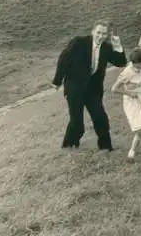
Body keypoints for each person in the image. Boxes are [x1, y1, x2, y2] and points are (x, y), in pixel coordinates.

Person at [52, 19, 127, 151]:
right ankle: (69, 145)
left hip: (93, 90)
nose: (100, 36)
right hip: (75, 88)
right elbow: (64, 59)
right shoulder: (79, 42)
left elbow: (121, 62)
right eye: (98, 32)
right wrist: (57, 81)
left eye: (104, 34)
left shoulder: (107, 48)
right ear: (93, 31)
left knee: (100, 118)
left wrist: (118, 46)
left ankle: (106, 148)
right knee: (77, 122)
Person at [111, 48, 141, 161]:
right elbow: (114, 89)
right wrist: (129, 93)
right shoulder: (127, 72)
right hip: (131, 100)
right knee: (138, 127)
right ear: (136, 63)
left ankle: (131, 152)